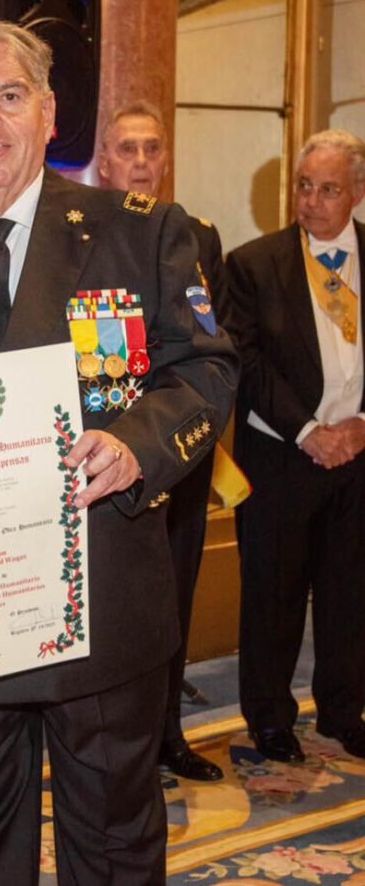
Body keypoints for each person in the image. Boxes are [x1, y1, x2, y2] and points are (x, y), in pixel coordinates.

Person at [0, 21, 238, 885]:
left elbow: (207, 369)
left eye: (10, 94)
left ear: (50, 111)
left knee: (112, 845)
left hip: (101, 598)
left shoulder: (141, 229)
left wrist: (137, 444)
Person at [98, 101, 228, 782]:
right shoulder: (79, 230)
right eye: (128, 148)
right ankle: (118, 738)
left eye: (152, 149)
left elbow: (213, 346)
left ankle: (167, 732)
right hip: (102, 446)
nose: (142, 161)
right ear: (105, 159)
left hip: (180, 448)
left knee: (175, 588)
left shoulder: (196, 235)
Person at [228, 128, 365, 763]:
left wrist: (361, 425)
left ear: (358, 193)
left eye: (328, 189)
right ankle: (271, 719)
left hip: (359, 455)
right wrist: (310, 432)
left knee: (349, 591)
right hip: (284, 454)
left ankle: (342, 712)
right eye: (304, 187)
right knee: (274, 596)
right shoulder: (254, 264)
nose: (311, 202)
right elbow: (246, 363)